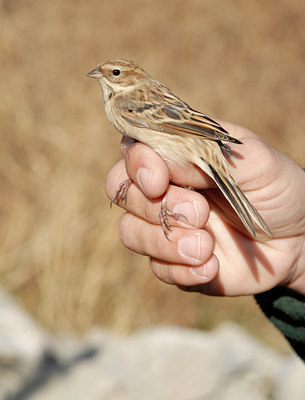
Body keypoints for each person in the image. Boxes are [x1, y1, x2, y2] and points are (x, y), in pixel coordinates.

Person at [105, 120, 305, 359]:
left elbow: (178, 125)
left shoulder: (129, 102)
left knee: (155, 175)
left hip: (191, 142)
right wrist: (299, 251)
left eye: (114, 77)